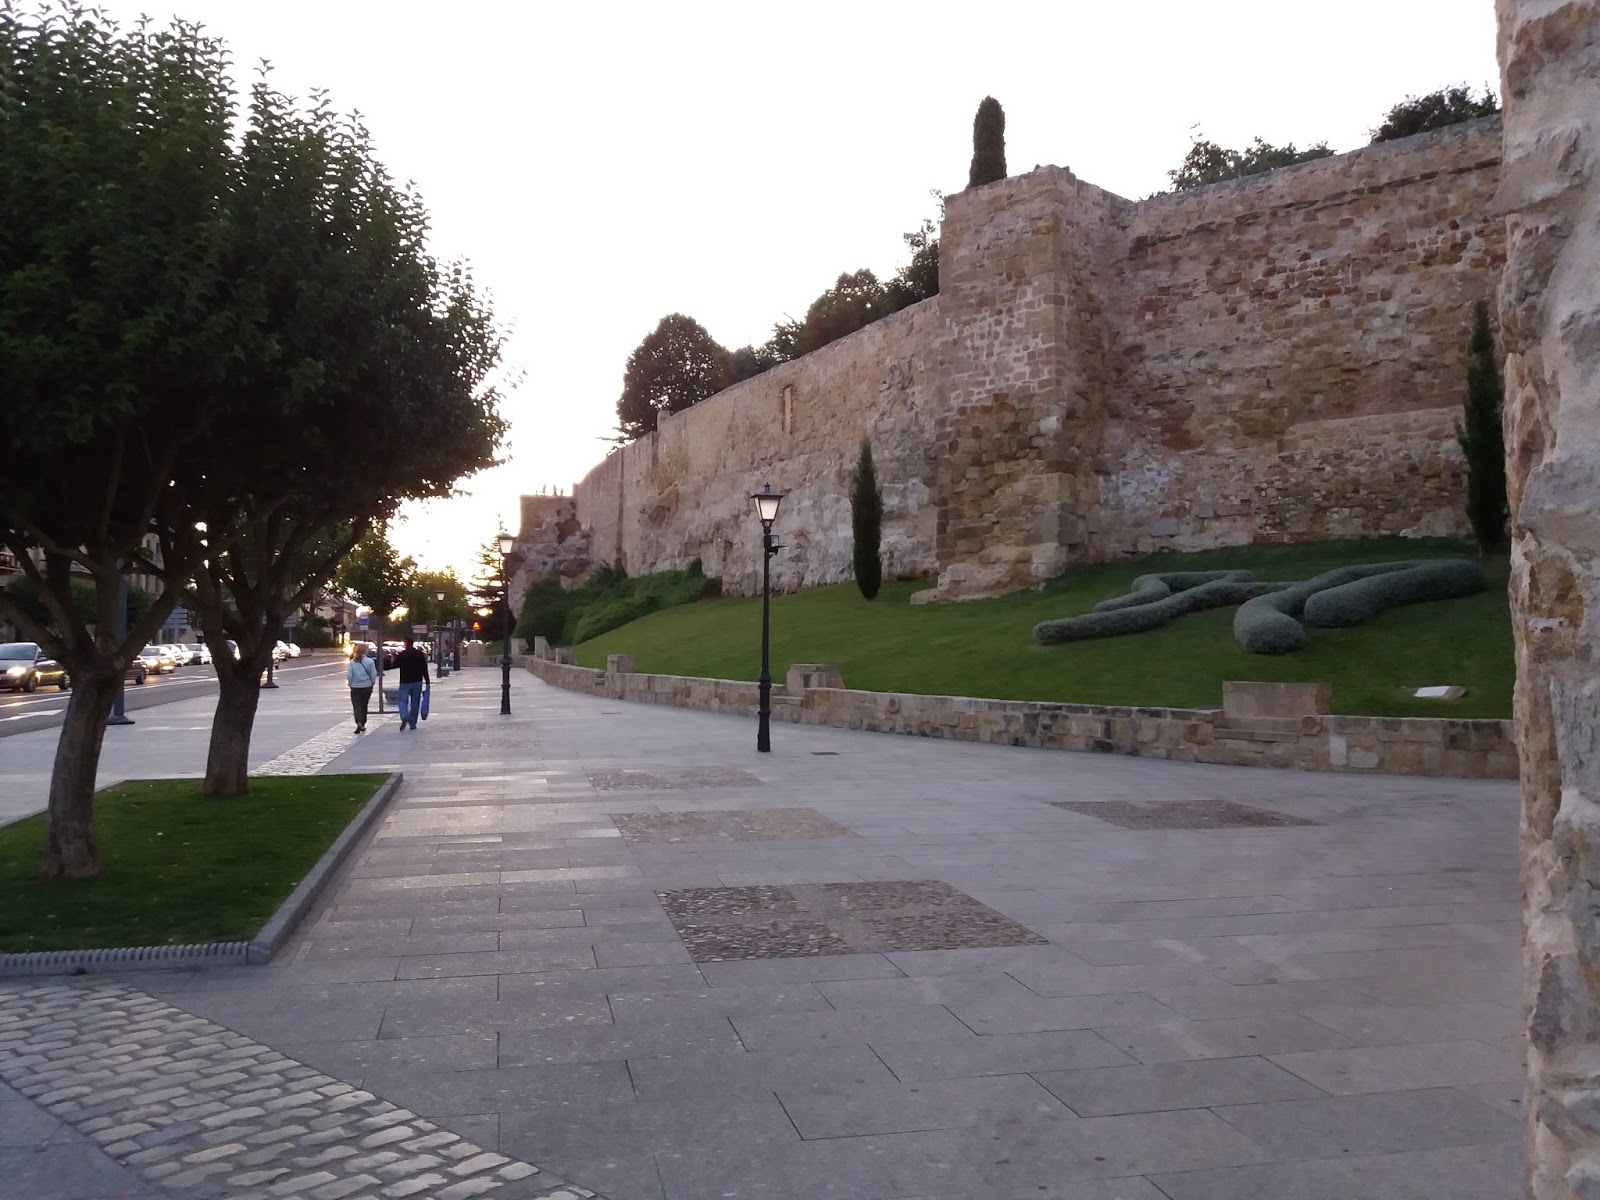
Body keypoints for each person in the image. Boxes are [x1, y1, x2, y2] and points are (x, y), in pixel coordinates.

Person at [392, 636, 431, 731]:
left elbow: (394, 665)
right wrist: (427, 681)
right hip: (417, 681)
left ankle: (404, 715)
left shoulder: (402, 655)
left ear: (405, 643)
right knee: (415, 703)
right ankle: (412, 723)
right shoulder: (419, 654)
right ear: (412, 643)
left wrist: (392, 659)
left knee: (402, 700)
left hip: (405, 681)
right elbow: (424, 668)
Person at [346, 643, 377, 733]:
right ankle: (363, 722)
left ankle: (358, 721)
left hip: (355, 686)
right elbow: (373, 674)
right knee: (364, 705)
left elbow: (349, 675)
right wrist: (372, 682)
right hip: (367, 686)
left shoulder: (352, 662)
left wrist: (350, 683)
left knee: (356, 705)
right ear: (365, 651)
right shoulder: (370, 661)